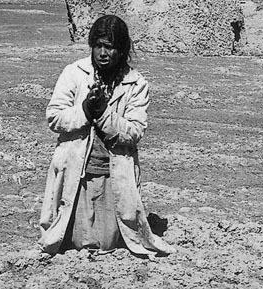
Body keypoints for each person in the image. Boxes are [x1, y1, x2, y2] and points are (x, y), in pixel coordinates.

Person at [38, 14, 173, 257]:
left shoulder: (136, 84)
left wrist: (104, 115)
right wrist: (85, 111)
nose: (102, 53)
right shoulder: (74, 73)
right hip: (76, 168)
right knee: (76, 240)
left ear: (121, 50)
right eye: (98, 45)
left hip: (113, 171)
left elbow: (134, 132)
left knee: (106, 242)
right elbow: (54, 117)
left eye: (109, 47)